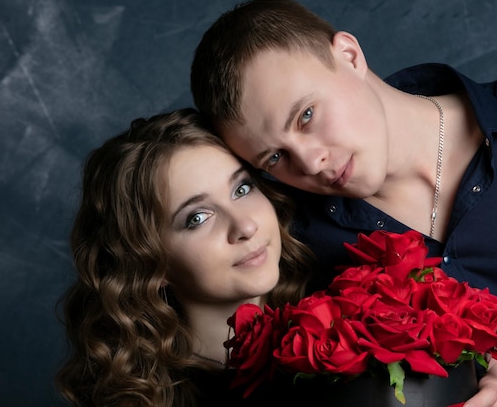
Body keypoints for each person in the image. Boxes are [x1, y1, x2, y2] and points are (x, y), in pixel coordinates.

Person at [190, 0, 497, 407]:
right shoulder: (298, 240)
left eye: (306, 116)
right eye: (275, 157)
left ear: (349, 55)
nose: (310, 162)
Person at [54, 108, 314, 407]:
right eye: (198, 218)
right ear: (148, 262)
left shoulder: (341, 294)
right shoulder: (156, 399)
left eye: (242, 189)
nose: (245, 226)